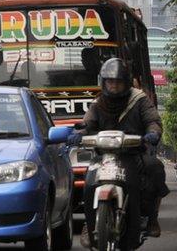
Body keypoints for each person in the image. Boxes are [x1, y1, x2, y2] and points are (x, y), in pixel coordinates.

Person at [69, 58, 168, 247]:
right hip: (103, 157)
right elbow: (87, 123)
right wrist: (77, 133)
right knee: (89, 183)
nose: (114, 86)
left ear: (126, 82)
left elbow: (152, 120)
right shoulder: (98, 103)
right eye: (110, 82)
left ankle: (149, 217)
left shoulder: (139, 99)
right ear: (103, 82)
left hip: (132, 154)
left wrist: (153, 133)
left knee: (154, 168)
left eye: (118, 82)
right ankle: (89, 226)